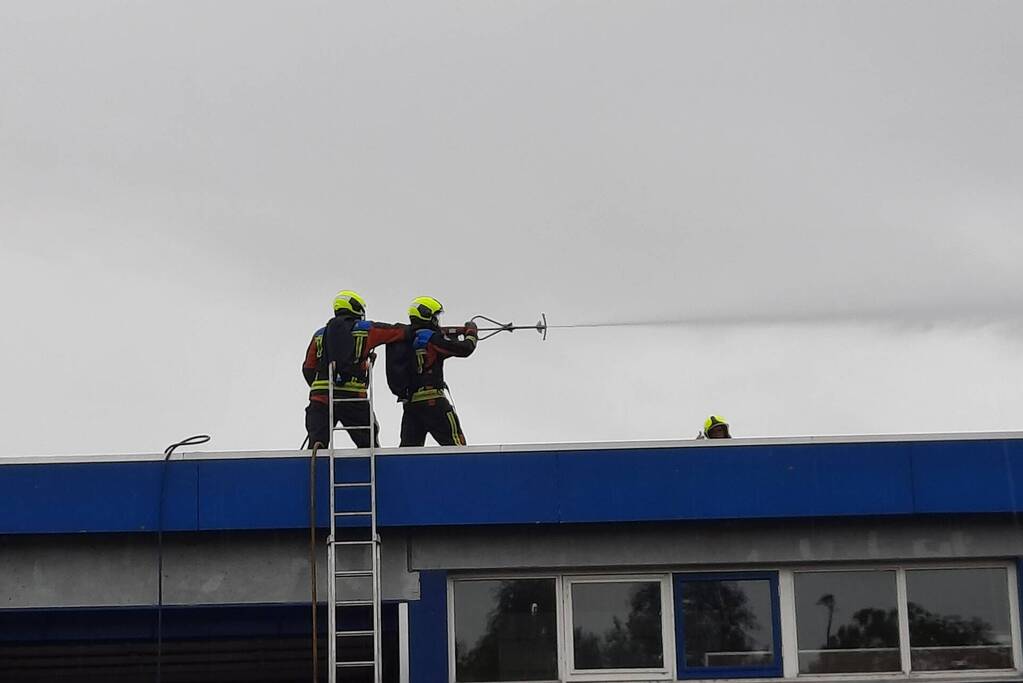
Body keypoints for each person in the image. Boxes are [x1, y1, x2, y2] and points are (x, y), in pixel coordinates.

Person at [302, 290, 405, 449]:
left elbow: (308, 368)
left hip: (321, 399)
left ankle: (314, 473)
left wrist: (322, 388)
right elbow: (395, 332)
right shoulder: (365, 329)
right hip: (353, 398)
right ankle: (372, 474)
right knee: (368, 444)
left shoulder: (319, 335)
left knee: (317, 446)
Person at [398, 296, 477, 447]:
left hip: (412, 405)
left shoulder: (402, 338)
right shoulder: (432, 339)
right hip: (434, 402)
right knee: (456, 448)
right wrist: (471, 332)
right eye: (435, 316)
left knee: (408, 453)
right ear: (427, 316)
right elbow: (465, 349)